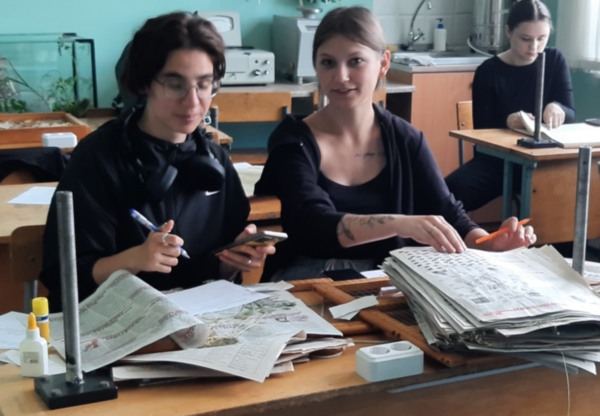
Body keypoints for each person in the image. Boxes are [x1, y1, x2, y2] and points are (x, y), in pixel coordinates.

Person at [254, 6, 536, 282]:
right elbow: (313, 223)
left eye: (355, 61)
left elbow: (448, 213)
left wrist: (489, 242)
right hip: (307, 278)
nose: (340, 76)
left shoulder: (405, 138)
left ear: (383, 63)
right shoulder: (293, 141)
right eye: (328, 62)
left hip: (384, 276)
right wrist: (401, 223)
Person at [40, 12, 274, 310]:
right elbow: (63, 276)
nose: (193, 102)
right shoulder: (97, 157)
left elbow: (217, 274)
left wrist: (235, 261)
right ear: (143, 83)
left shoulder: (214, 160)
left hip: (197, 317)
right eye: (175, 85)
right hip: (111, 319)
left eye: (204, 84)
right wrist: (134, 260)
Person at [445, 0, 575, 212]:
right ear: (508, 32)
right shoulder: (488, 71)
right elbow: (482, 134)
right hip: (497, 162)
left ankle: (552, 236)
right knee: (447, 194)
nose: (534, 47)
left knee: (574, 191)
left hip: (544, 162)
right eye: (525, 39)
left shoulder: (554, 60)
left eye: (541, 38)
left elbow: (570, 113)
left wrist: (558, 108)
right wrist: (507, 121)